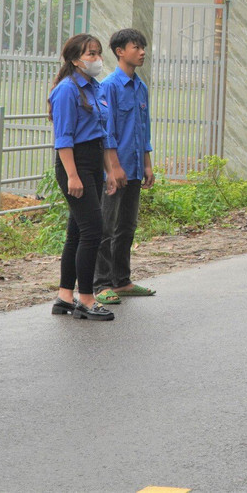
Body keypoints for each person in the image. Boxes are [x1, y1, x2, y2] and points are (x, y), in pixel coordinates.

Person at [48, 33, 120, 322]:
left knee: (77, 231)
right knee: (93, 230)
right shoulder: (67, 90)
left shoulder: (95, 88)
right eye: (90, 54)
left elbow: (101, 135)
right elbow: (63, 138)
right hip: (73, 163)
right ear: (75, 59)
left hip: (92, 161)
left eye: (98, 53)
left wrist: (109, 171)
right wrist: (73, 176)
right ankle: (86, 298)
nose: (97, 59)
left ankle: (65, 295)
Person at [95, 28, 156, 307]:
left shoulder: (140, 86)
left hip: (134, 167)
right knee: (106, 226)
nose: (142, 52)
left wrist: (147, 164)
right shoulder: (108, 86)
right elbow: (107, 131)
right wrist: (114, 168)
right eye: (136, 47)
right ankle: (102, 284)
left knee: (127, 225)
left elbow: (143, 129)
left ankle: (122, 280)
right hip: (115, 170)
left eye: (143, 47)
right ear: (120, 52)